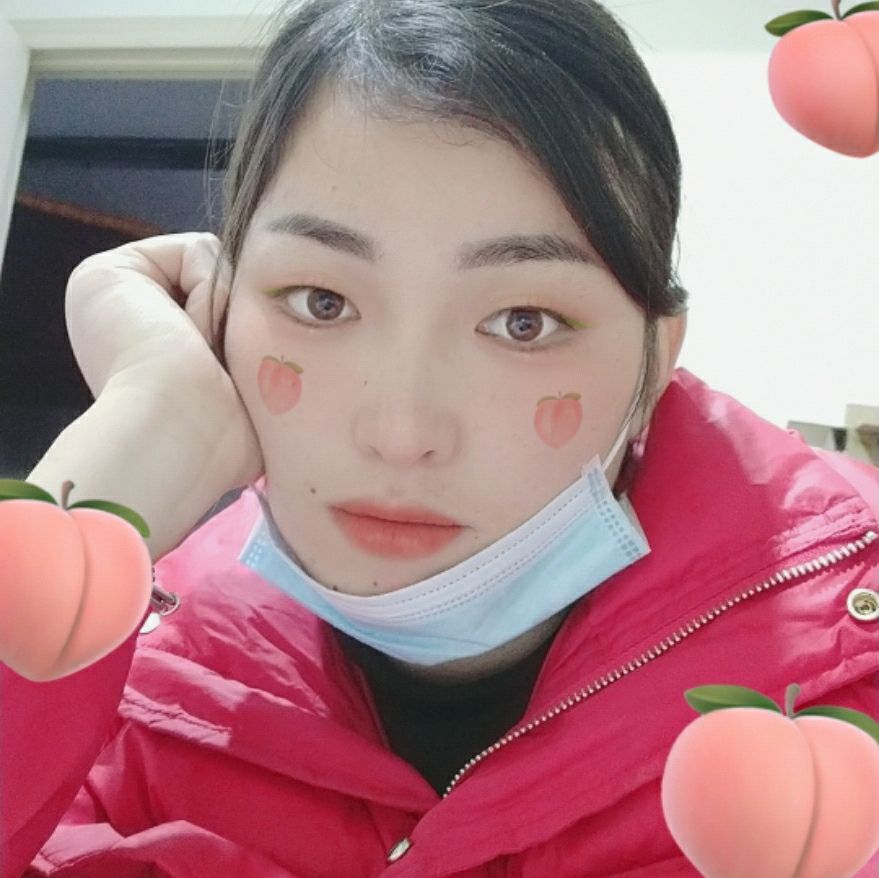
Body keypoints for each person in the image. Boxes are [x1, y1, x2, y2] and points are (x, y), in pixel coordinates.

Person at [2, 0, 878, 875]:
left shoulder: (851, 684)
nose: (400, 434)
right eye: (321, 302)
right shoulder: (125, 693)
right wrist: (127, 457)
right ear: (222, 316)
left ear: (655, 360)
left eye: (524, 322)